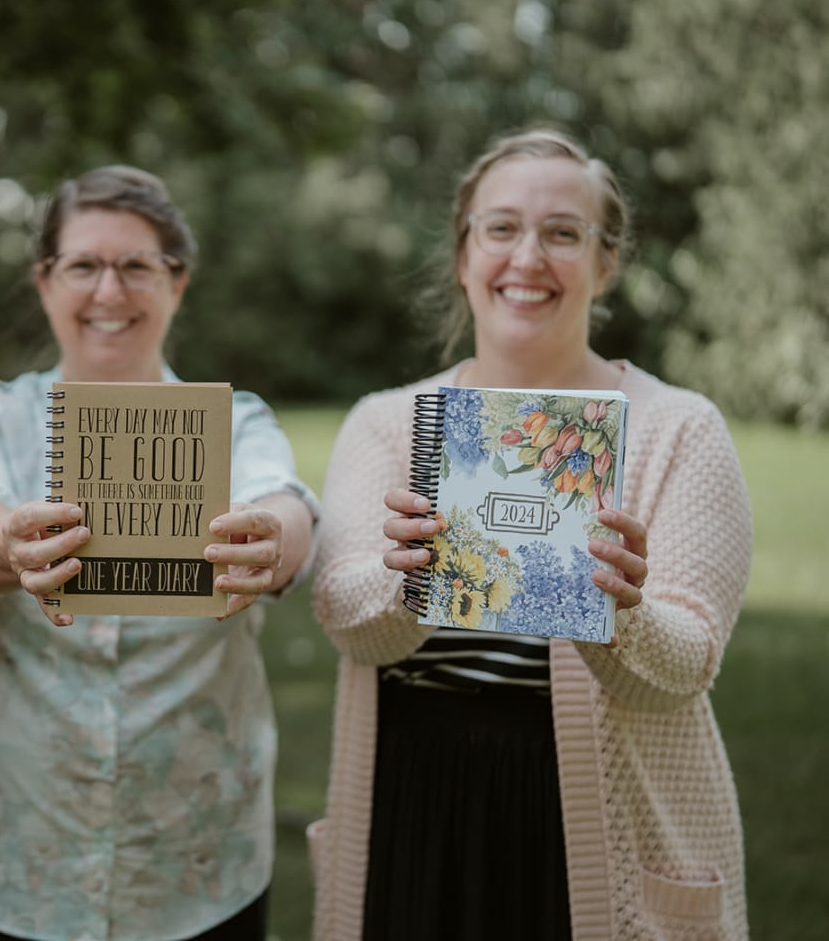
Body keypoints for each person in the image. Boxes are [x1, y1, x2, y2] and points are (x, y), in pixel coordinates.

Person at [310, 127, 752, 940]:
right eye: (502, 228)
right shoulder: (387, 423)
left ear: (606, 261)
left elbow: (685, 667)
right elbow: (349, 623)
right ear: (463, 253)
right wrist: (408, 573)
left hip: (597, 830)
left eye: (562, 233)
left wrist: (622, 609)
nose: (527, 258)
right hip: (413, 821)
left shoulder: (679, 429)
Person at [0, 165, 318, 941]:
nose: (110, 292)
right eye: (84, 266)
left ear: (177, 282)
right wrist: (8, 544)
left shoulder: (236, 422)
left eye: (137, 266)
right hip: (11, 854)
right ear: (44, 281)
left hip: (198, 862)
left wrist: (273, 540)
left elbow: (288, 505)